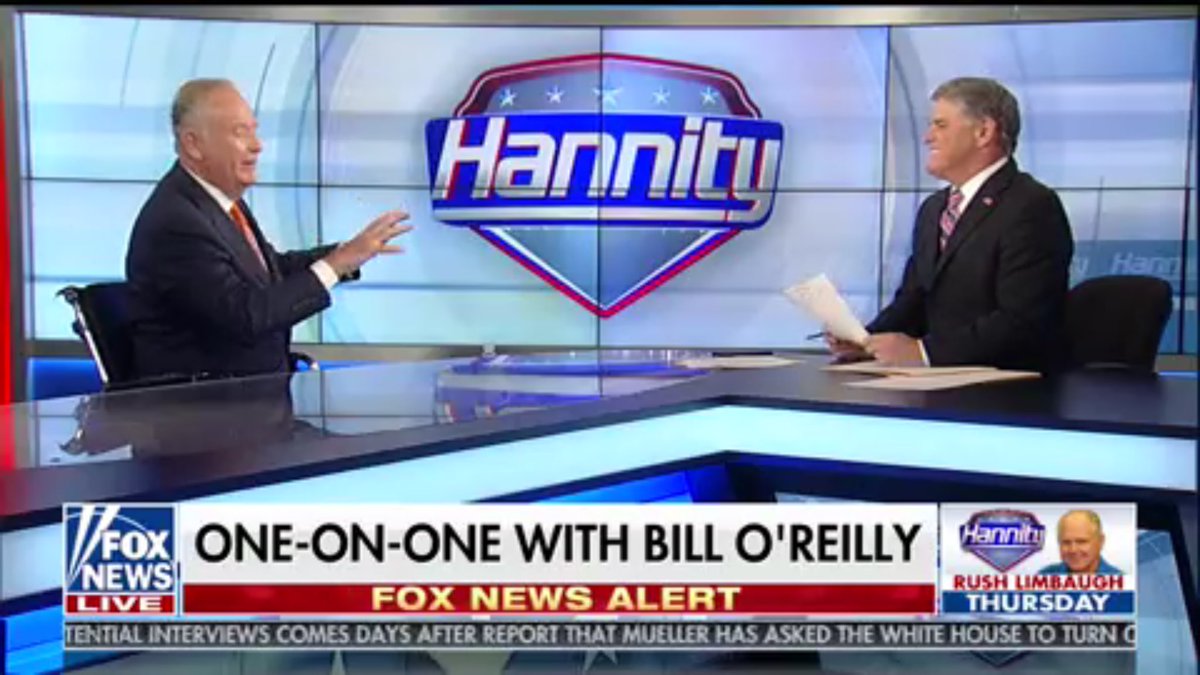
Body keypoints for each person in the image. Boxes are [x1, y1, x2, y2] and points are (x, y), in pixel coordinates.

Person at [125, 78, 412, 380]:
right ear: (193, 145)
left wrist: (348, 255)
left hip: (253, 393)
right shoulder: (177, 223)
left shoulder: (218, 203)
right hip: (208, 401)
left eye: (254, 130)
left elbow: (270, 270)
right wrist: (334, 265)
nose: (257, 145)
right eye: (240, 132)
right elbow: (247, 316)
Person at [828, 77, 1074, 372]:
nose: (928, 138)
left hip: (1008, 386)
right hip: (937, 380)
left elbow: (1022, 320)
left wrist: (924, 352)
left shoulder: (1031, 206)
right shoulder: (933, 209)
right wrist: (866, 340)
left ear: (984, 132)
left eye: (940, 125)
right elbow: (914, 301)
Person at [1038, 510, 1123, 575]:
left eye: (1081, 542)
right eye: (1066, 542)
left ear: (1101, 542)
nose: (1073, 550)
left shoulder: (1123, 583)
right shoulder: (1043, 577)